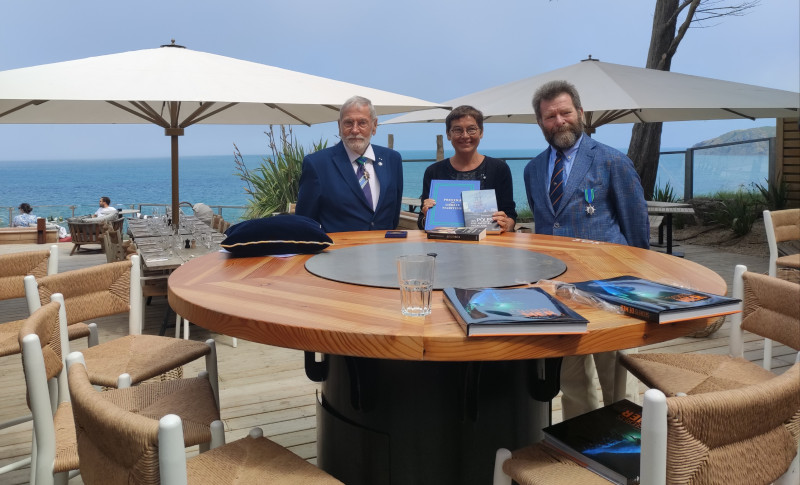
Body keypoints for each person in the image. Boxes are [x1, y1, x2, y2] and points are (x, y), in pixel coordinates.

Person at [523, 80, 649, 419]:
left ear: (580, 113)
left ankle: (629, 448)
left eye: (565, 112)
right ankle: (581, 443)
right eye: (550, 116)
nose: (559, 121)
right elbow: (544, 225)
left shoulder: (612, 161)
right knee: (572, 378)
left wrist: (635, 285)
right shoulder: (533, 170)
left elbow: (637, 230)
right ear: (540, 123)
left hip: (609, 285)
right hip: (559, 289)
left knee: (616, 375)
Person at [296, 96, 403, 233]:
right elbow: (305, 222)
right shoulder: (317, 164)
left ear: (374, 125)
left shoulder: (392, 160)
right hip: (338, 252)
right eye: (348, 123)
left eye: (362, 123)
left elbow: (393, 216)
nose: (355, 130)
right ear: (339, 126)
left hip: (385, 250)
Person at [417, 105, 517, 232]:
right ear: (448, 134)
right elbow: (421, 223)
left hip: (489, 247)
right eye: (457, 130)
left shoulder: (499, 169)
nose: (465, 136)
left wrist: (507, 224)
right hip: (445, 246)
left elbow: (510, 214)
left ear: (481, 132)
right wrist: (427, 216)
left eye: (471, 129)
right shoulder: (433, 171)